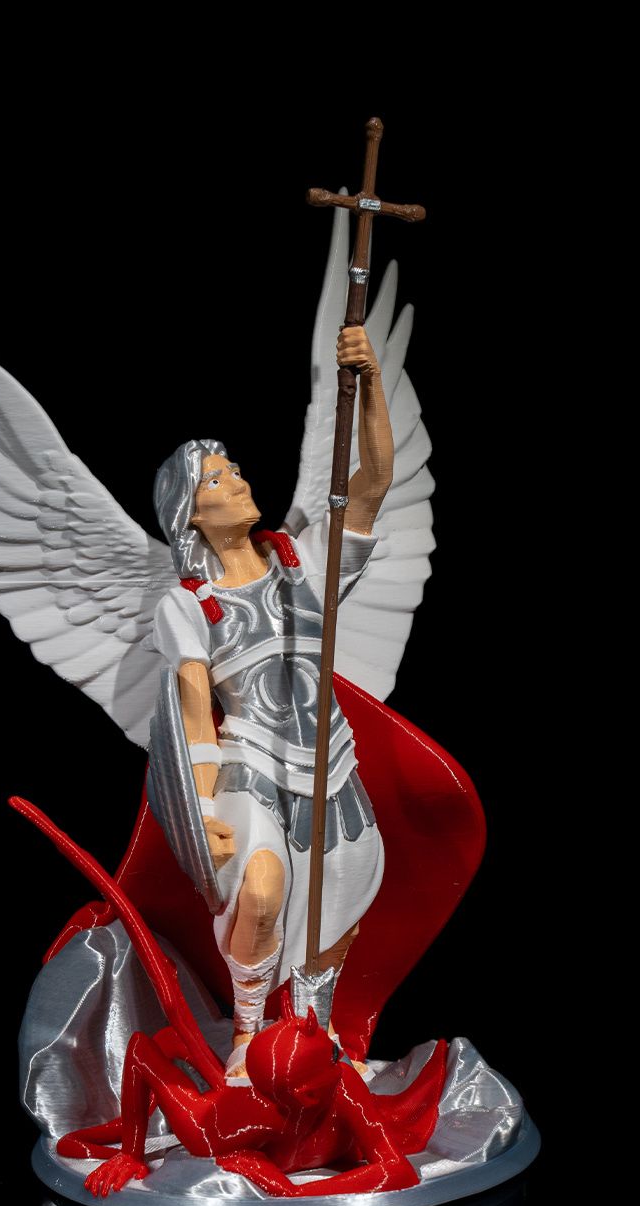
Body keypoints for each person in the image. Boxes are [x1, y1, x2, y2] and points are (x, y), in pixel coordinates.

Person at [149, 326, 395, 1078]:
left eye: (234, 469)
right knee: (260, 894)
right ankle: (249, 1037)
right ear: (191, 514)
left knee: (338, 906)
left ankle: (316, 1036)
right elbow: (196, 712)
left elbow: (372, 484)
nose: (237, 481)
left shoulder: (303, 563)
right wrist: (201, 811)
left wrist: (369, 384)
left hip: (331, 760)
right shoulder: (188, 602)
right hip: (250, 764)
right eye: (217, 480)